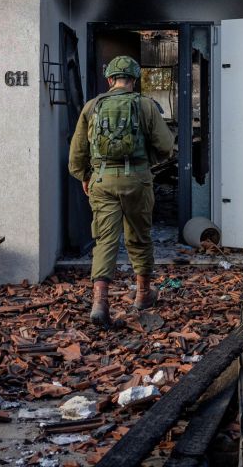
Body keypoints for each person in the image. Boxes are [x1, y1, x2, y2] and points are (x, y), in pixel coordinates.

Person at [68, 55, 176, 327]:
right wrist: (145, 162)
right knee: (139, 236)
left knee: (105, 240)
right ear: (134, 80)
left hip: (102, 181)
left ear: (109, 80)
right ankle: (142, 295)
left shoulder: (92, 106)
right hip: (137, 180)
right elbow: (166, 147)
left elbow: (77, 152)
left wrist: (85, 176)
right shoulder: (145, 105)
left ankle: (100, 302)